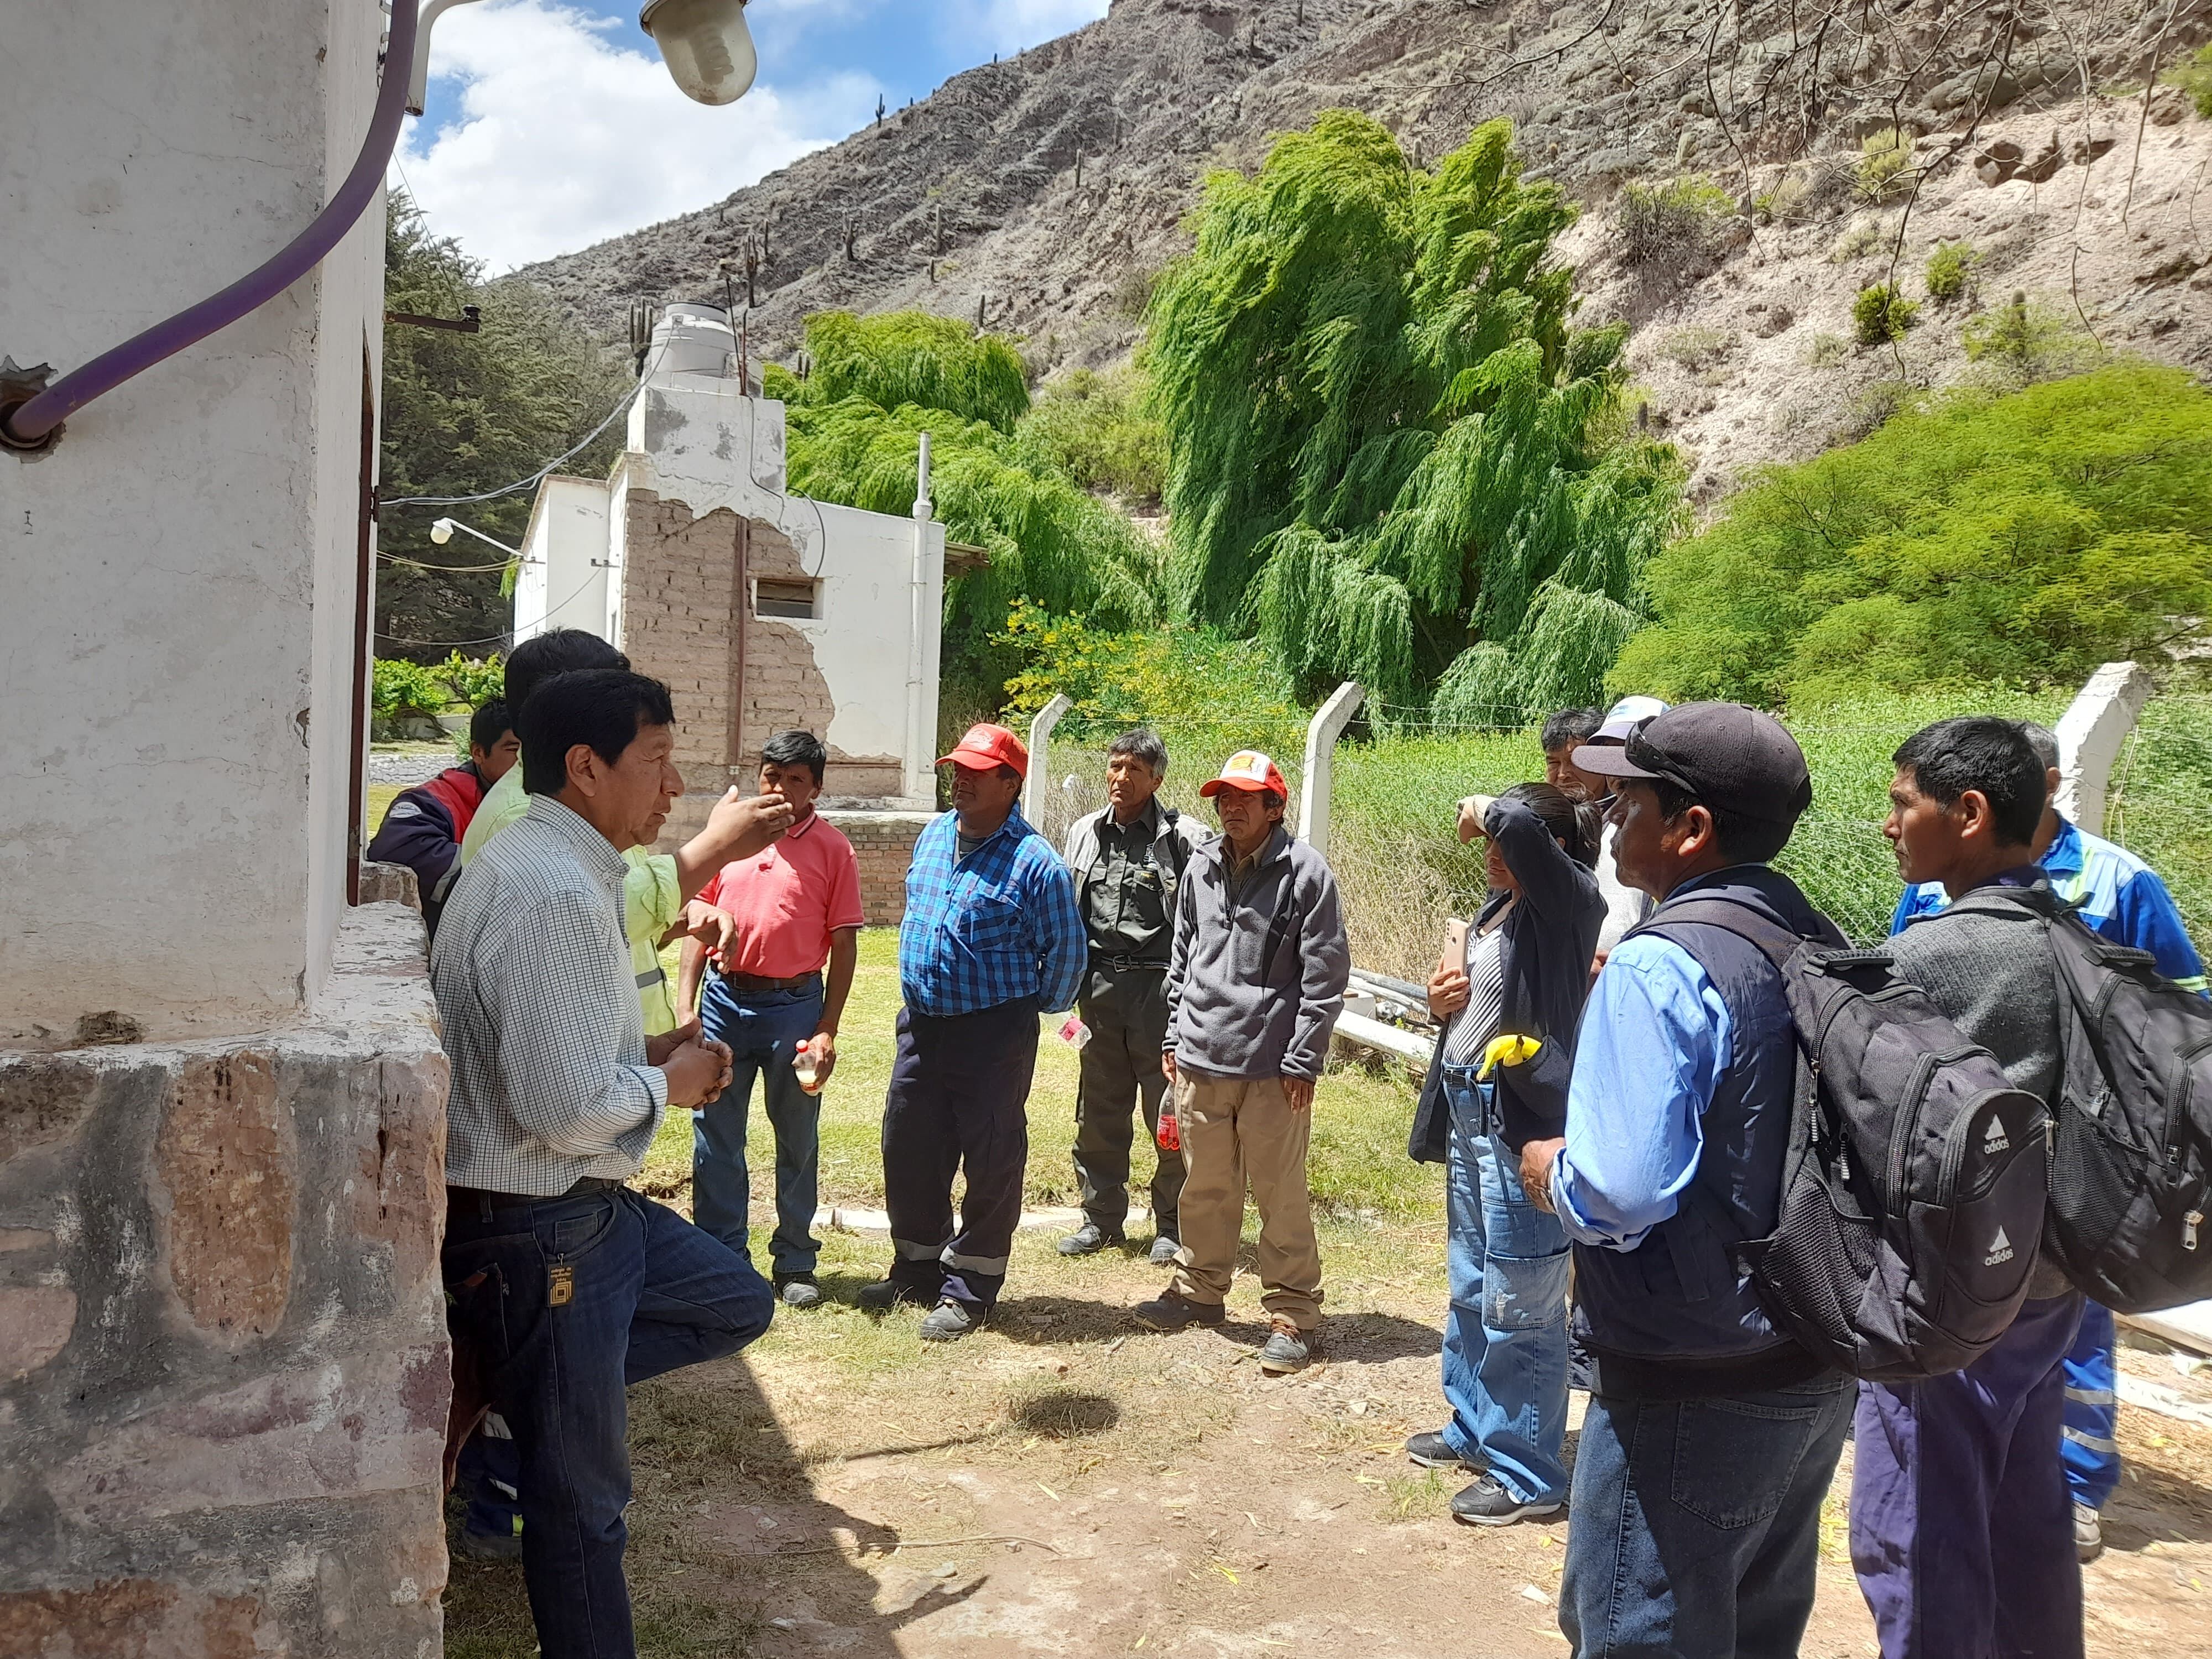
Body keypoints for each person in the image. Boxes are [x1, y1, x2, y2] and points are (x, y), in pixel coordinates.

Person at [434, 669, 777, 1659]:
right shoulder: (549, 892)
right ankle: (539, 1390)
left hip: (577, 1212)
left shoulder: (567, 870)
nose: (675, 789)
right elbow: (558, 1108)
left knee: (732, 1300)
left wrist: (651, 1058)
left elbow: (567, 1065)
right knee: (584, 1504)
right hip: (541, 1225)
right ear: (586, 768)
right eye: (658, 761)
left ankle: (527, 1383)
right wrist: (668, 1085)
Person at [1517, 703, 1850, 1659]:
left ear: (1691, 827)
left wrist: (1552, 1172)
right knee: (1753, 1627)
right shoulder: (1812, 934)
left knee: (1637, 1632)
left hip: (1686, 1379)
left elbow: (1621, 1191)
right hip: (1813, 1356)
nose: (1608, 819)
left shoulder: (1658, 961)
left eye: (1628, 801)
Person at [1891, 719, 2205, 1560]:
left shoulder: (2118, 879)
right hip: (1981, 1193)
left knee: (2054, 1367)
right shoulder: (1937, 891)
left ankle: (2080, 1485)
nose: (1889, 826)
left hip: (2073, 1181)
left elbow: (2180, 1006)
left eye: (1901, 805)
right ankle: (2039, 1509)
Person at [1850, 716, 2086, 1659]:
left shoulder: (1931, 960)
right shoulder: (2071, 935)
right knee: (2025, 1517)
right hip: (2049, 1288)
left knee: (1915, 1531)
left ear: (1971, 812)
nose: (1888, 825)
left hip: (1946, 1304)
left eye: (1903, 803)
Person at [1404, 784, 1603, 1524]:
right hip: (1469, 1109)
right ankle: (1474, 1425)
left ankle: (1527, 1470)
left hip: (1518, 1122)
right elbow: (1476, 1002)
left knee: (1523, 1297)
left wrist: (1487, 807)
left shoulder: (1571, 905)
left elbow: (1517, 827)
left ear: (1545, 850)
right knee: (1471, 1281)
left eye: (1500, 841)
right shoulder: (1501, 908)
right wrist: (1440, 1000)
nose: (1490, 849)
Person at [857, 723, 1085, 1341]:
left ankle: (972, 1287)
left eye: (977, 773)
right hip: (923, 1028)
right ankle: (916, 1267)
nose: (960, 779)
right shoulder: (934, 835)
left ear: (1011, 784)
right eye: (956, 768)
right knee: (909, 1145)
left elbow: (1065, 953)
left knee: (990, 1156)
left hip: (993, 1035)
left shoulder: (1036, 864)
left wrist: (1026, 1012)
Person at [1133, 750, 1351, 1376]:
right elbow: (1183, 959)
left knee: (1280, 1194)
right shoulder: (1200, 866)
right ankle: (1200, 1291)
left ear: (1274, 807)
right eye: (1223, 797)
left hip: (1272, 1067)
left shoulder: (1305, 873)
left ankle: (1293, 1312)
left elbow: (1324, 974)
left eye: (1244, 798)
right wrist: (1174, 1036)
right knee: (1205, 1185)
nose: (1230, 808)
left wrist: (1303, 1057)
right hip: (1201, 1056)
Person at [459, 627, 791, 1035]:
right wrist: (718, 845)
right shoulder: (526, 825)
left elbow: (616, 913)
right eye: (654, 755)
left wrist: (681, 917)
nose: (675, 785)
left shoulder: (588, 813)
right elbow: (598, 915)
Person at [674, 730, 863, 1311]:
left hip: (795, 1008)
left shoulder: (834, 849)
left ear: (816, 788)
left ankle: (796, 1260)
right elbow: (697, 922)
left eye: (793, 780)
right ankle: (722, 1258)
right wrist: (687, 1007)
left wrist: (827, 1026)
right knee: (716, 1134)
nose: (778, 788)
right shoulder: (732, 837)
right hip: (726, 1003)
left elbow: (846, 942)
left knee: (796, 1137)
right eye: (770, 776)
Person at [1056, 729, 1205, 1265]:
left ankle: (1171, 1224)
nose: (1121, 778)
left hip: (1160, 993)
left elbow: (1205, 921)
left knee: (1166, 1113)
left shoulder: (1184, 837)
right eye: (1115, 767)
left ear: (1157, 779)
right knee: (1097, 1109)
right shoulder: (1083, 833)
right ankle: (1100, 1219)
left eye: (1134, 770)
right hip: (1097, 992)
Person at [365, 697, 519, 936]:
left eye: (530, 750)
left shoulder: (548, 793)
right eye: (513, 749)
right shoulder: (430, 801)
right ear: (478, 752)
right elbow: (394, 847)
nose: (523, 761)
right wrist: (510, 876)